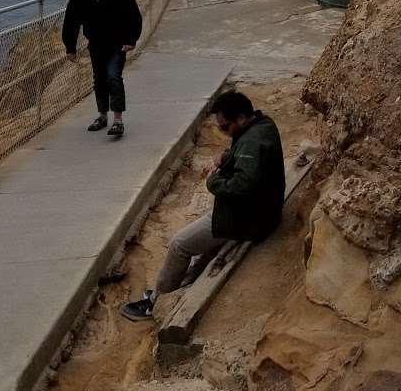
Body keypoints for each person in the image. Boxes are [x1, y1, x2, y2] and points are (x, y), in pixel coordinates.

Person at [120, 90, 285, 321]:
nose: (222, 132)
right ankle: (179, 284)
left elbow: (240, 186)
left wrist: (213, 181)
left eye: (225, 127)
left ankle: (156, 302)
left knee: (179, 244)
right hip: (260, 211)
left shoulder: (251, 142)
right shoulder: (262, 124)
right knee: (200, 249)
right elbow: (246, 156)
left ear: (240, 118)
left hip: (246, 220)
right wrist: (227, 157)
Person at [62, 0, 143, 140]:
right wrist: (70, 47)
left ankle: (118, 119)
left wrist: (132, 39)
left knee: (113, 76)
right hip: (96, 43)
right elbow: (71, 20)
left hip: (118, 43)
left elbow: (134, 15)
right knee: (99, 79)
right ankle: (102, 115)